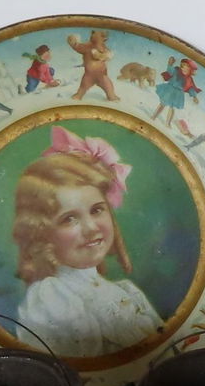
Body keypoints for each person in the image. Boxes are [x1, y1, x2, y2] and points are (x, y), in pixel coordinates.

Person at [13, 127, 164, 357]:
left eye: (97, 210)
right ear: (41, 234)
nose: (91, 228)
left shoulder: (127, 291)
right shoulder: (51, 297)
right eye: (69, 219)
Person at [67, 29, 119, 101]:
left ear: (104, 38)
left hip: (102, 75)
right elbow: (78, 47)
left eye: (94, 33)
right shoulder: (87, 46)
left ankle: (111, 96)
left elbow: (108, 55)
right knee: (83, 87)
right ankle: (78, 95)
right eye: (92, 33)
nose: (92, 35)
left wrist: (101, 55)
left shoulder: (104, 48)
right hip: (89, 75)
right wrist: (73, 43)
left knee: (108, 86)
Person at [152, 56, 201, 122]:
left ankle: (168, 123)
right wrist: (170, 64)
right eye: (182, 67)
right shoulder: (176, 71)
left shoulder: (189, 79)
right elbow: (170, 71)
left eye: (186, 69)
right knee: (162, 104)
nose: (184, 70)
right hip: (170, 89)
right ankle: (154, 116)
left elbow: (190, 88)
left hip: (178, 94)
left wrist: (194, 97)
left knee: (171, 108)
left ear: (191, 71)